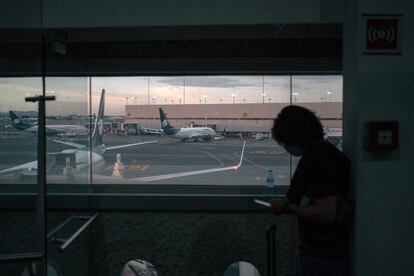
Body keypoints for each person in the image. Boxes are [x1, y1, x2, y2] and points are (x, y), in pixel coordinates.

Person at [270, 105, 352, 276]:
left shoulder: (321, 159)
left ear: (293, 136)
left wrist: (287, 207)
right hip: (321, 255)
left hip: (324, 258)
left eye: (285, 141)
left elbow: (326, 213)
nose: (285, 146)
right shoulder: (319, 154)